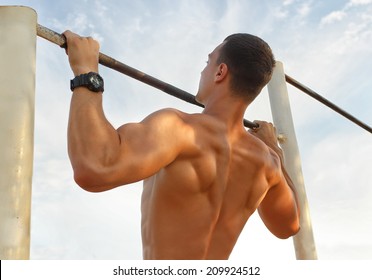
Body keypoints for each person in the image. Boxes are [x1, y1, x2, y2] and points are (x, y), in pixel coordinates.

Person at [63, 30, 300, 260]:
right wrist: (276, 152)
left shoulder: (180, 129)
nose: (202, 70)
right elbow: (288, 226)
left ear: (220, 72)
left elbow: (95, 167)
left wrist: (86, 72)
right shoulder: (267, 162)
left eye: (208, 62)